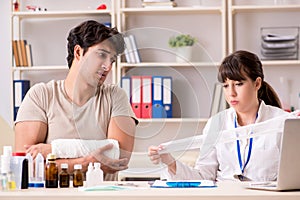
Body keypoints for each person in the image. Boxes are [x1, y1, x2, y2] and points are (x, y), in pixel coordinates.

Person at [14, 20, 138, 180]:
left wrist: (54, 150)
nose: (108, 66)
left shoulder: (115, 96)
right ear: (78, 52)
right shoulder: (41, 96)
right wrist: (87, 162)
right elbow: (26, 165)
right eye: (101, 55)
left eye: (112, 60)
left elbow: (119, 158)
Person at [148, 50, 288, 182]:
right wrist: (170, 161)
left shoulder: (282, 122)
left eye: (238, 84)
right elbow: (203, 177)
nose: (231, 93)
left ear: (257, 83)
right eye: (226, 86)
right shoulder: (217, 123)